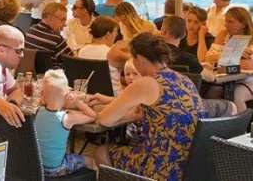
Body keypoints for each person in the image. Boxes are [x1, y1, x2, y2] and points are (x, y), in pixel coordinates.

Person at [93, 33, 207, 181]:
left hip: (162, 167)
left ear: (139, 59)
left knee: (100, 152)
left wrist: (133, 116)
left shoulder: (147, 82)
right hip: (191, 165)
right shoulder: (185, 80)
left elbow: (104, 120)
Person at [35, 70, 97, 177]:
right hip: (57, 168)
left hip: (37, 166)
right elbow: (93, 116)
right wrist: (77, 102)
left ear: (42, 94)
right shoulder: (67, 118)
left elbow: (43, 103)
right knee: (91, 160)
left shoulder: (38, 111)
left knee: (69, 155)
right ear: (67, 96)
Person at [205, 7, 253, 112]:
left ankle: (240, 127)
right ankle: (213, 123)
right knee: (213, 89)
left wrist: (223, 60)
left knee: (237, 94)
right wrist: (235, 52)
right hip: (229, 78)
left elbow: (250, 65)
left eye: (230, 21)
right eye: (226, 20)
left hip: (249, 79)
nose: (226, 24)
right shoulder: (223, 34)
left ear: (243, 24)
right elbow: (209, 57)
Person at [78, 16, 122, 95]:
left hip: (89, 94)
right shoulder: (112, 53)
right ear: (108, 34)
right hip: (113, 97)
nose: (116, 36)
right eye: (115, 33)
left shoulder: (82, 51)